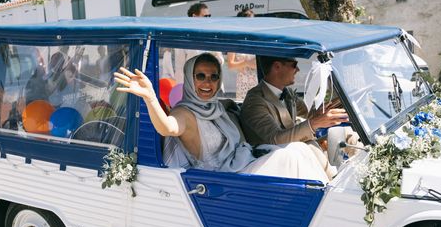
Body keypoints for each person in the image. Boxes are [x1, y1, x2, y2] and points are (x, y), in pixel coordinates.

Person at [114, 53, 333, 182]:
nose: (207, 83)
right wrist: (150, 98)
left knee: (298, 149)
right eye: (200, 76)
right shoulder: (185, 112)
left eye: (213, 76)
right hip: (221, 179)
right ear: (190, 79)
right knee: (290, 155)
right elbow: (167, 128)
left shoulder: (218, 107)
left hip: (242, 164)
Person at [240, 56, 349, 175]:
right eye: (294, 65)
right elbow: (275, 139)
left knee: (346, 132)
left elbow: (308, 115)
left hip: (295, 147)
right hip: (271, 160)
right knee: (309, 146)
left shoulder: (288, 92)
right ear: (277, 66)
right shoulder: (255, 101)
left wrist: (327, 109)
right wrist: (315, 123)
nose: (297, 69)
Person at [227, 9, 257, 99]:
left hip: (257, 81)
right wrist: (247, 62)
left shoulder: (256, 39)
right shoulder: (234, 41)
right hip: (243, 83)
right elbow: (230, 64)